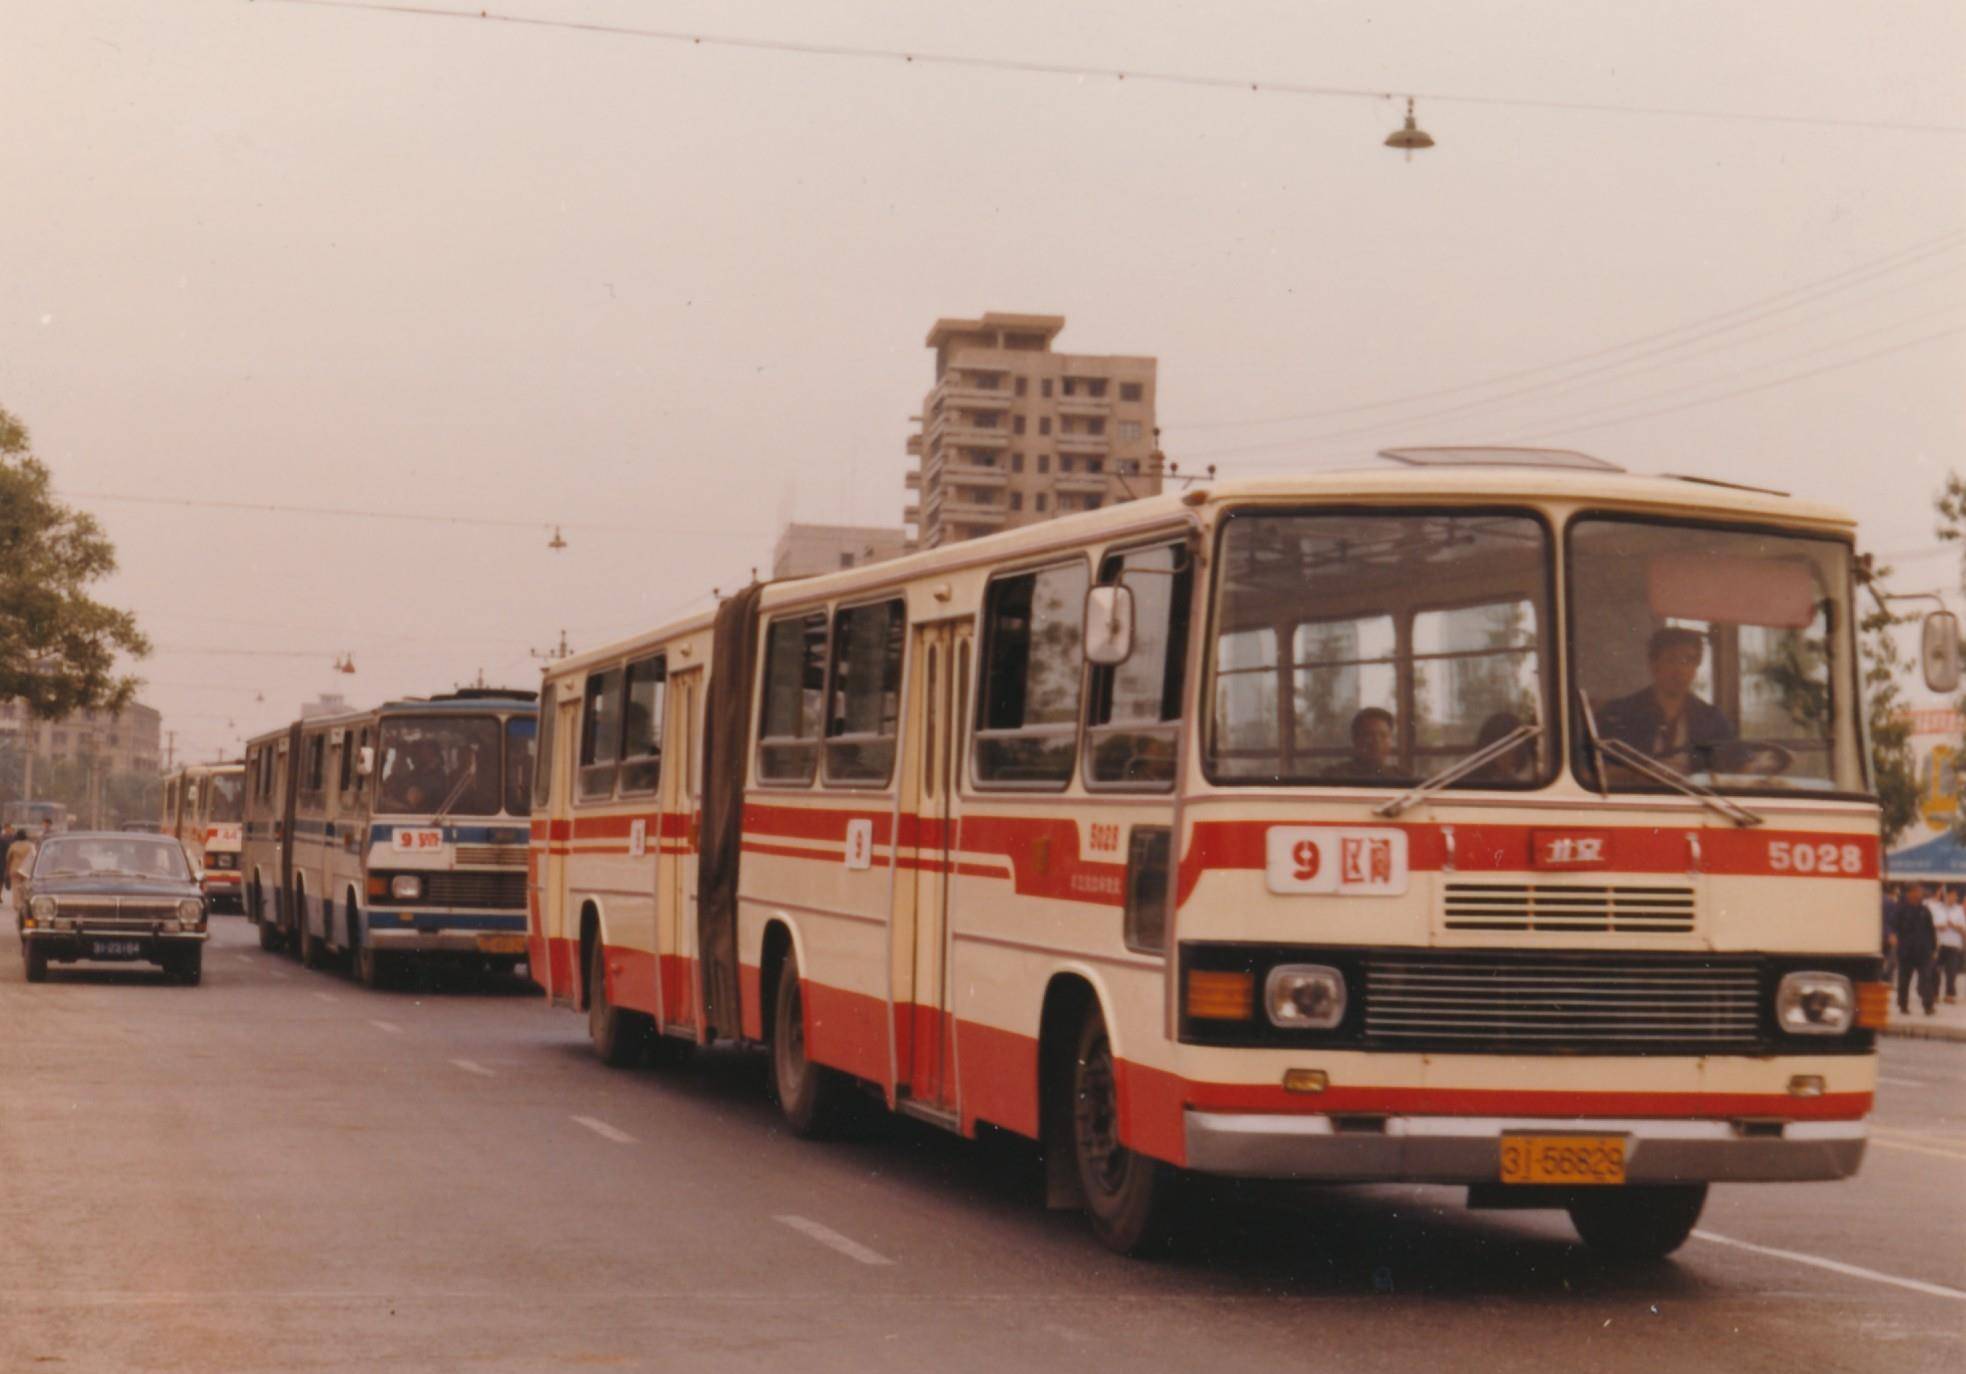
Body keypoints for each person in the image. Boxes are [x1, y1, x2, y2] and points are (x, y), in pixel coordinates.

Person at [1595, 627, 1736, 772]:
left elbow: (1737, 766)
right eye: (1671, 659)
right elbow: (1597, 769)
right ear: (1653, 665)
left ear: (1696, 668)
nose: (1680, 670)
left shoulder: (1712, 718)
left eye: (1689, 660)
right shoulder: (1619, 713)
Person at [1889, 880, 1939, 1016]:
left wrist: (1934, 948)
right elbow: (1893, 926)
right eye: (1917, 891)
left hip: (1923, 951)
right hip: (1906, 951)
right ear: (1910, 893)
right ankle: (1903, 1005)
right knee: (1904, 979)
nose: (1920, 893)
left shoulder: (1924, 910)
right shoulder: (1901, 909)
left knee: (1926, 978)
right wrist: (1892, 936)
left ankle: (1928, 1005)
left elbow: (1931, 930)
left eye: (1920, 891)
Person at [1323, 707, 1399, 780]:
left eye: (1383, 735)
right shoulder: (1334, 775)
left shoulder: (1400, 776)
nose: (1377, 741)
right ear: (1355, 739)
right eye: (1369, 735)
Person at [1472, 711, 1537, 783]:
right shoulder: (1470, 784)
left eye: (1517, 745)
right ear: (1487, 747)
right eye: (1505, 746)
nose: (1512, 752)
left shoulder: (1518, 785)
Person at [1935, 883, 1966, 1005]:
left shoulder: (1959, 910)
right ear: (1946, 895)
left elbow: (1964, 930)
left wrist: (1954, 926)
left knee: (1951, 972)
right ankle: (1934, 994)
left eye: (1955, 896)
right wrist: (1940, 926)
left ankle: (1950, 995)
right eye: (1952, 895)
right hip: (1939, 944)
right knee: (1934, 970)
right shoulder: (1938, 908)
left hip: (1953, 945)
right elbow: (1932, 924)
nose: (1954, 898)